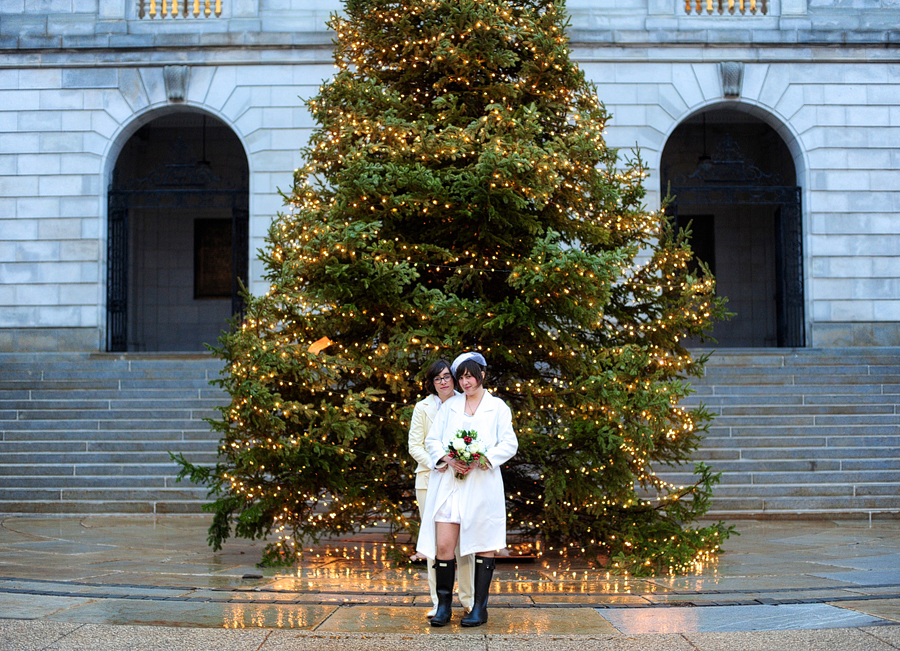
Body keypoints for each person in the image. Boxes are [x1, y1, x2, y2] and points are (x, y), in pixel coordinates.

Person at [416, 351, 518, 627]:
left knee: (484, 545)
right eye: (461, 377)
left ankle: (479, 609)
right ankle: (444, 607)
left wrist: (482, 459)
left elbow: (509, 443)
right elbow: (433, 440)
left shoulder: (497, 407)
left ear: (482, 375)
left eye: (471, 376)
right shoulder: (450, 406)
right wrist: (449, 458)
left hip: (482, 484)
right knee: (444, 545)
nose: (466, 382)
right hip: (450, 484)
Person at [407, 359, 475, 619]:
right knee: (436, 544)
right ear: (432, 383)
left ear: (454, 378)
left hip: (463, 481)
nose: (444, 382)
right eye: (438, 379)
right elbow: (415, 446)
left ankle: (468, 600)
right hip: (429, 481)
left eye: (447, 376)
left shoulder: (466, 402)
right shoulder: (422, 408)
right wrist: (437, 462)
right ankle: (439, 602)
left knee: (465, 542)